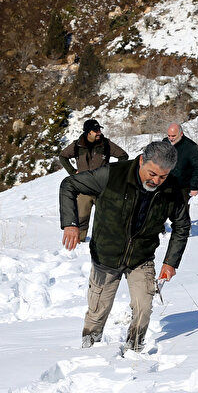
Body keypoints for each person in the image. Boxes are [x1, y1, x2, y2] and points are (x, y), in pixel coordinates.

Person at [59, 140, 189, 353]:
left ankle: (134, 350)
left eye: (163, 176)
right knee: (97, 311)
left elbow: (182, 225)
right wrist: (70, 224)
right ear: (142, 161)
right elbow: (69, 184)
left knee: (143, 308)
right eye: (152, 174)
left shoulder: (172, 188)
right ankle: (89, 350)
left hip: (141, 258)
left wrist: (170, 262)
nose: (156, 181)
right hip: (106, 256)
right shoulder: (111, 175)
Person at [58, 119, 129, 241]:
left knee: (107, 218)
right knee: (81, 218)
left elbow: (123, 156)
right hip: (83, 188)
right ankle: (79, 243)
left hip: (102, 188)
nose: (99, 132)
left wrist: (114, 172)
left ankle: (106, 242)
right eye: (96, 130)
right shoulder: (77, 145)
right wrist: (72, 172)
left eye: (99, 129)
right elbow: (63, 156)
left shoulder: (106, 144)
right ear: (88, 132)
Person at [165, 122, 198, 202]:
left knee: (181, 209)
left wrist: (194, 186)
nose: (170, 138)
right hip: (166, 184)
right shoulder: (165, 143)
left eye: (173, 136)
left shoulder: (191, 147)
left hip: (184, 187)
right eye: (169, 136)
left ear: (181, 134)